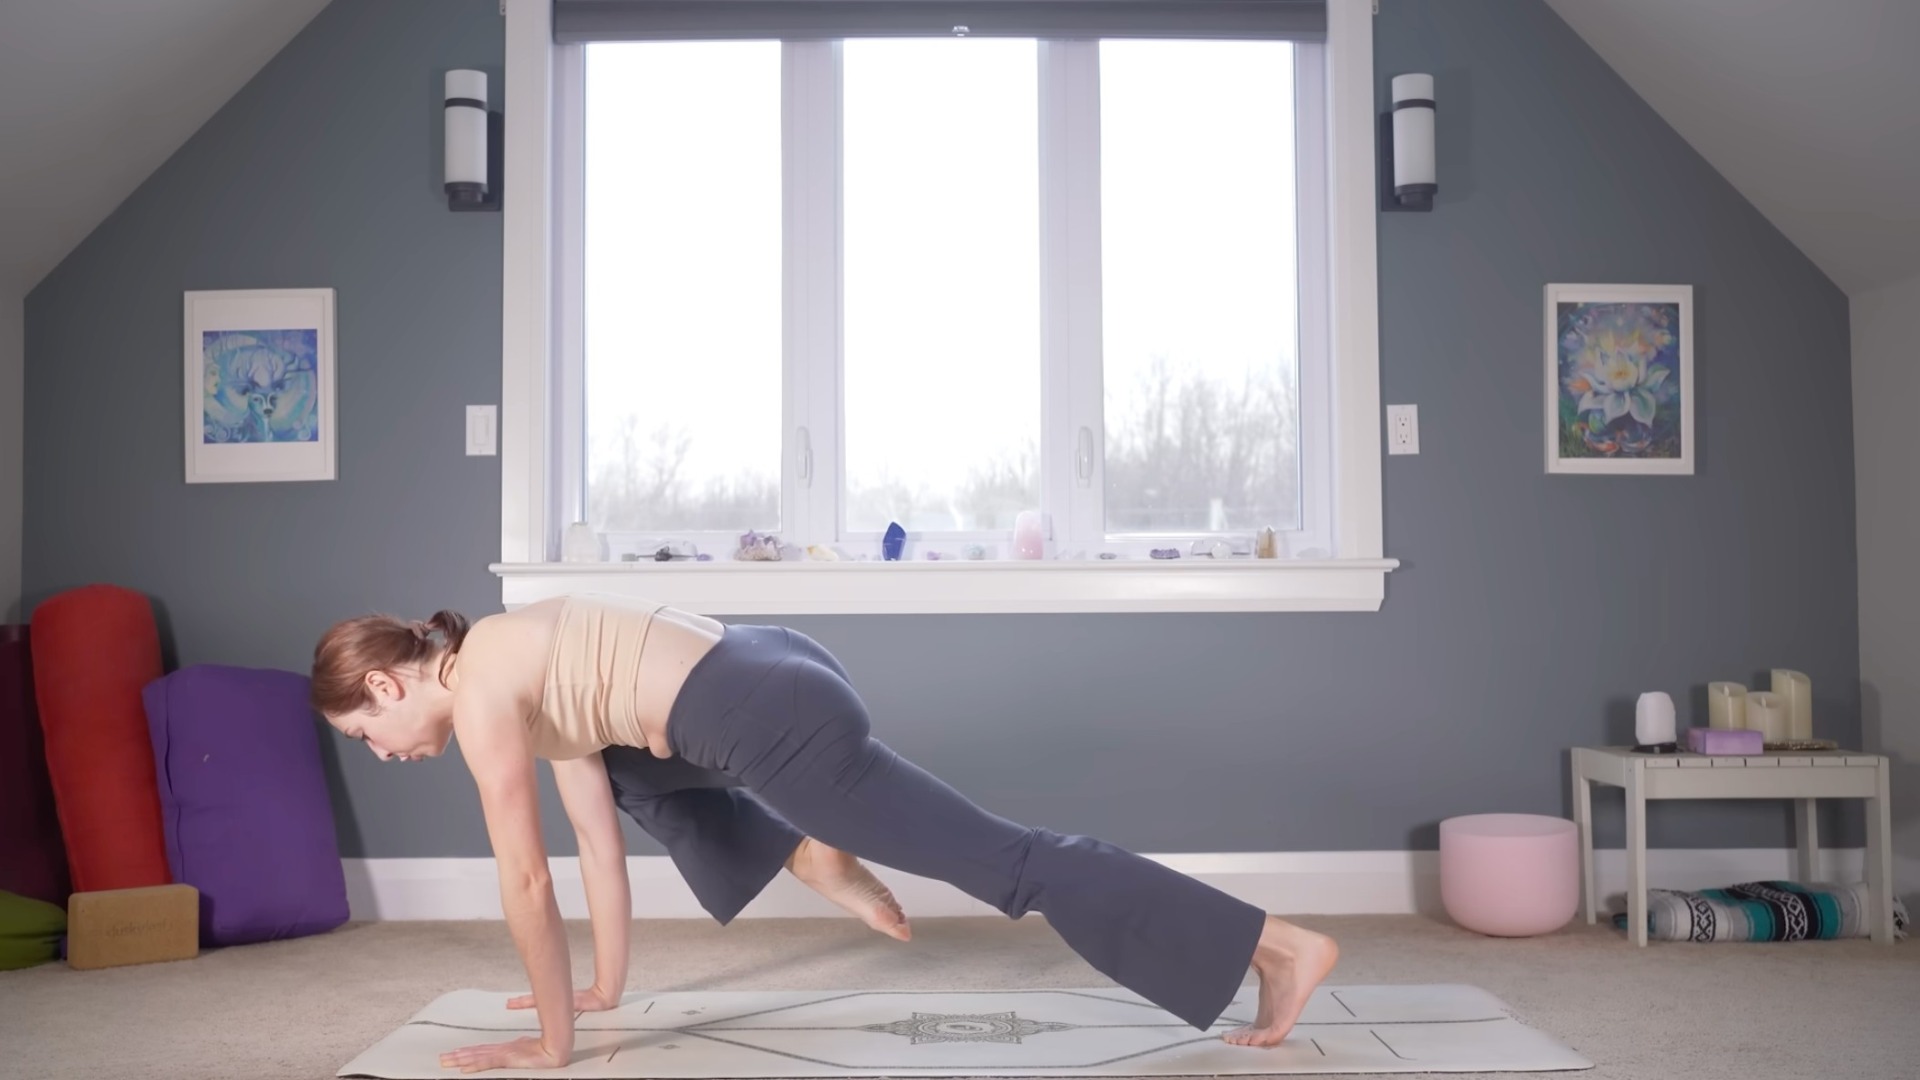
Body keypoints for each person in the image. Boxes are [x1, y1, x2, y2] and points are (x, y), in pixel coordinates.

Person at [310, 595, 1338, 1075]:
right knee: (626, 772)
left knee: (1011, 865)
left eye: (365, 734)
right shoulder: (510, 649)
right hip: (769, 664)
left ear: (388, 685)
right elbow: (594, 837)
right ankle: (814, 849)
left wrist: (549, 1044)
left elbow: (526, 882)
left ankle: (1279, 945)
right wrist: (601, 993)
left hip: (768, 723)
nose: (381, 753)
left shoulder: (485, 698)